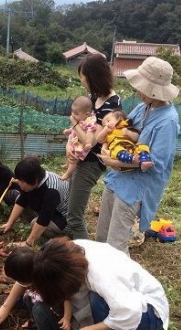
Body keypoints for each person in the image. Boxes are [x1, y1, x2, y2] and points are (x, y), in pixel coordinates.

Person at [0, 237, 169, 330]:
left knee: (95, 300)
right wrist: (6, 307)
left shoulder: (101, 276)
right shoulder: (59, 254)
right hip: (125, 297)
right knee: (90, 304)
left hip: (148, 312)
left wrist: (94, 328)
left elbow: (129, 311)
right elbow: (30, 275)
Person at [96, 57, 180, 255]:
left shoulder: (167, 121)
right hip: (117, 179)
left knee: (116, 245)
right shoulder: (143, 107)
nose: (138, 91)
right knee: (102, 236)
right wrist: (109, 147)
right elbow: (121, 128)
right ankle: (99, 283)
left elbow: (156, 163)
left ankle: (121, 284)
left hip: (135, 188)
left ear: (154, 90)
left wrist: (112, 160)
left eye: (142, 88)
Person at [65, 54, 121, 240]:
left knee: (74, 216)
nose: (82, 81)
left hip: (91, 163)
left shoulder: (112, 105)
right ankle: (78, 248)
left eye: (84, 77)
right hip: (80, 159)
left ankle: (89, 258)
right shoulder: (94, 97)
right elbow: (82, 129)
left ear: (94, 76)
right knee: (72, 210)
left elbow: (94, 140)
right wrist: (69, 148)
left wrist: (73, 123)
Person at [0, 156, 69, 247]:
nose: (19, 184)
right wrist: (9, 223)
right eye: (19, 180)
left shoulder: (51, 190)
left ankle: (61, 237)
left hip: (64, 219)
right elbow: (21, 201)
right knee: (25, 205)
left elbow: (43, 220)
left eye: (22, 181)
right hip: (51, 210)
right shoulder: (36, 177)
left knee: (35, 222)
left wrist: (27, 243)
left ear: (35, 180)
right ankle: (37, 232)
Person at [61, 96, 98, 181]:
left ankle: (68, 174)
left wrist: (88, 143)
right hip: (75, 140)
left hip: (80, 145)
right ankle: (67, 164)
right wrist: (69, 131)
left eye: (76, 114)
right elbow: (75, 128)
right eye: (72, 112)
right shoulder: (81, 118)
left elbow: (90, 133)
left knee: (73, 160)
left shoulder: (90, 121)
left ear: (87, 114)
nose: (73, 115)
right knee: (69, 152)